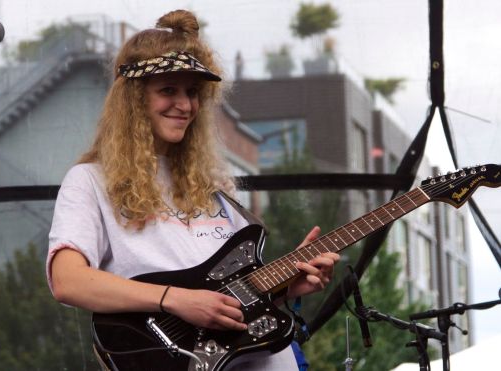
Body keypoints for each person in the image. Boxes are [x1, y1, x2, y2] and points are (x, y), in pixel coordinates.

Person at [46, 9, 340, 370]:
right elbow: (67, 281)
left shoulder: (212, 191)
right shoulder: (90, 180)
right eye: (168, 89)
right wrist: (175, 300)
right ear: (134, 99)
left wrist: (286, 287)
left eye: (192, 92)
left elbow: (228, 305)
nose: (185, 105)